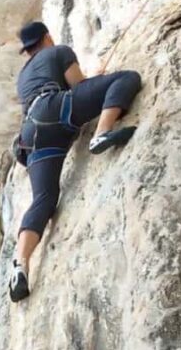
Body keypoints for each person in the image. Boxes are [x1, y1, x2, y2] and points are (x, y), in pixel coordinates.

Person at [10, 21, 142, 302]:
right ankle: (102, 134)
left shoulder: (22, 77)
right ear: (47, 37)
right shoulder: (58, 51)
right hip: (56, 110)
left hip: (32, 137)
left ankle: (21, 264)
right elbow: (79, 85)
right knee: (127, 78)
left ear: (27, 50)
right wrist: (97, 85)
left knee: (44, 199)